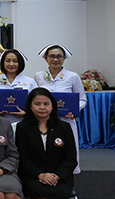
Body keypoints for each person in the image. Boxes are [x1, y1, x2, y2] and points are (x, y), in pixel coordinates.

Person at [16, 88, 77, 199]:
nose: (42, 107)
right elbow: (22, 157)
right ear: (30, 106)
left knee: (61, 198)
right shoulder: (23, 127)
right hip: (33, 174)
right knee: (41, 196)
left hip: (60, 175)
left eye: (46, 104)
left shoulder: (64, 127)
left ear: (52, 106)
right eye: (37, 104)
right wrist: (40, 174)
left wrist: (58, 175)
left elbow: (71, 158)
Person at [33, 44, 86, 174]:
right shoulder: (39, 76)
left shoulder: (72, 76)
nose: (55, 59)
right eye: (52, 56)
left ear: (64, 58)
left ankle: (68, 175)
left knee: (67, 148)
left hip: (66, 120)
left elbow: (82, 99)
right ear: (46, 58)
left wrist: (74, 110)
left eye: (59, 56)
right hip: (43, 121)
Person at [0, 49, 36, 126]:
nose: (11, 64)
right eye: (8, 61)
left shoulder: (30, 81)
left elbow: (36, 101)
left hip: (22, 123)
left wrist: (27, 113)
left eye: (15, 61)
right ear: (2, 63)